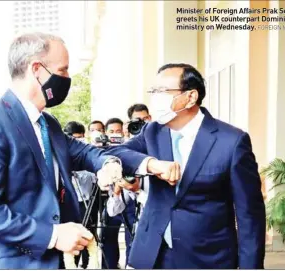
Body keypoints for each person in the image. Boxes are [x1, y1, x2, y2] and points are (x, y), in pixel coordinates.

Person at [0, 32, 177, 269]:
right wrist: (52, 236)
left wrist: (108, 164)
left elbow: (85, 153)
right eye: (62, 70)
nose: (67, 78)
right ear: (37, 69)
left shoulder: (47, 124)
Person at [103, 63, 266, 269]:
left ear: (191, 97)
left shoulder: (231, 142)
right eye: (153, 91)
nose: (155, 98)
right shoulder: (153, 132)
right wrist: (151, 164)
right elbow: (114, 153)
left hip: (206, 257)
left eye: (162, 91)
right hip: (152, 254)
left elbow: (249, 215)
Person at [100, 118, 137, 269]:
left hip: (132, 203)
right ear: (105, 133)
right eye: (111, 132)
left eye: (118, 132)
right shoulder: (101, 153)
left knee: (132, 242)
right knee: (107, 239)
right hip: (111, 200)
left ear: (124, 132)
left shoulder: (132, 150)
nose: (115, 135)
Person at [63, 121, 100, 269]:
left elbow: (93, 176)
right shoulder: (63, 153)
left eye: (80, 137)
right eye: (74, 138)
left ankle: (88, 264)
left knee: (89, 235)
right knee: (73, 238)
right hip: (71, 201)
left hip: (89, 200)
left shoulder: (86, 151)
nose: (77, 141)